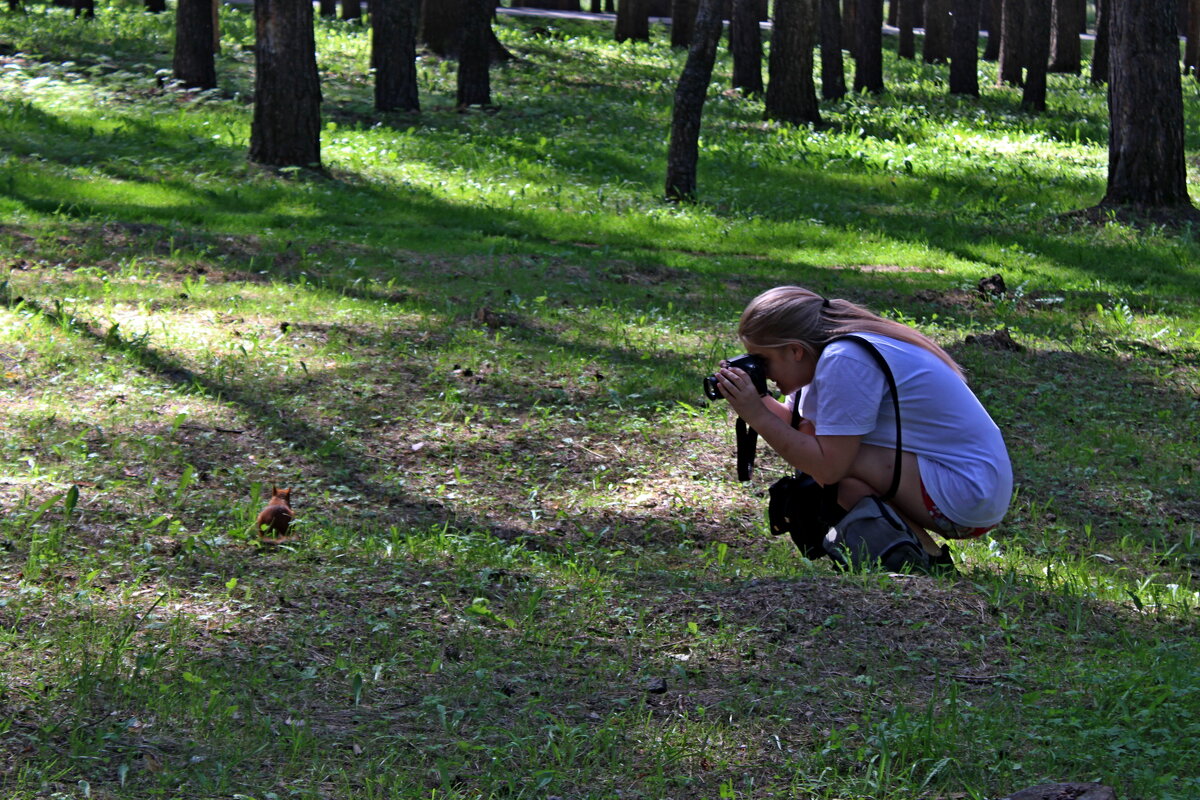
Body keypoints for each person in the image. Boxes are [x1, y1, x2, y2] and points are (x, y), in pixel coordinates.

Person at [714, 286, 1012, 565]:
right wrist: (753, 397)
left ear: (795, 351)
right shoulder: (829, 353)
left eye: (762, 361)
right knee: (817, 443)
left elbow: (828, 468)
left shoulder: (845, 359)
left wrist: (757, 414)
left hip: (967, 494)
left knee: (833, 466)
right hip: (968, 491)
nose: (762, 371)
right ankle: (926, 557)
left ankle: (922, 561)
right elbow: (794, 427)